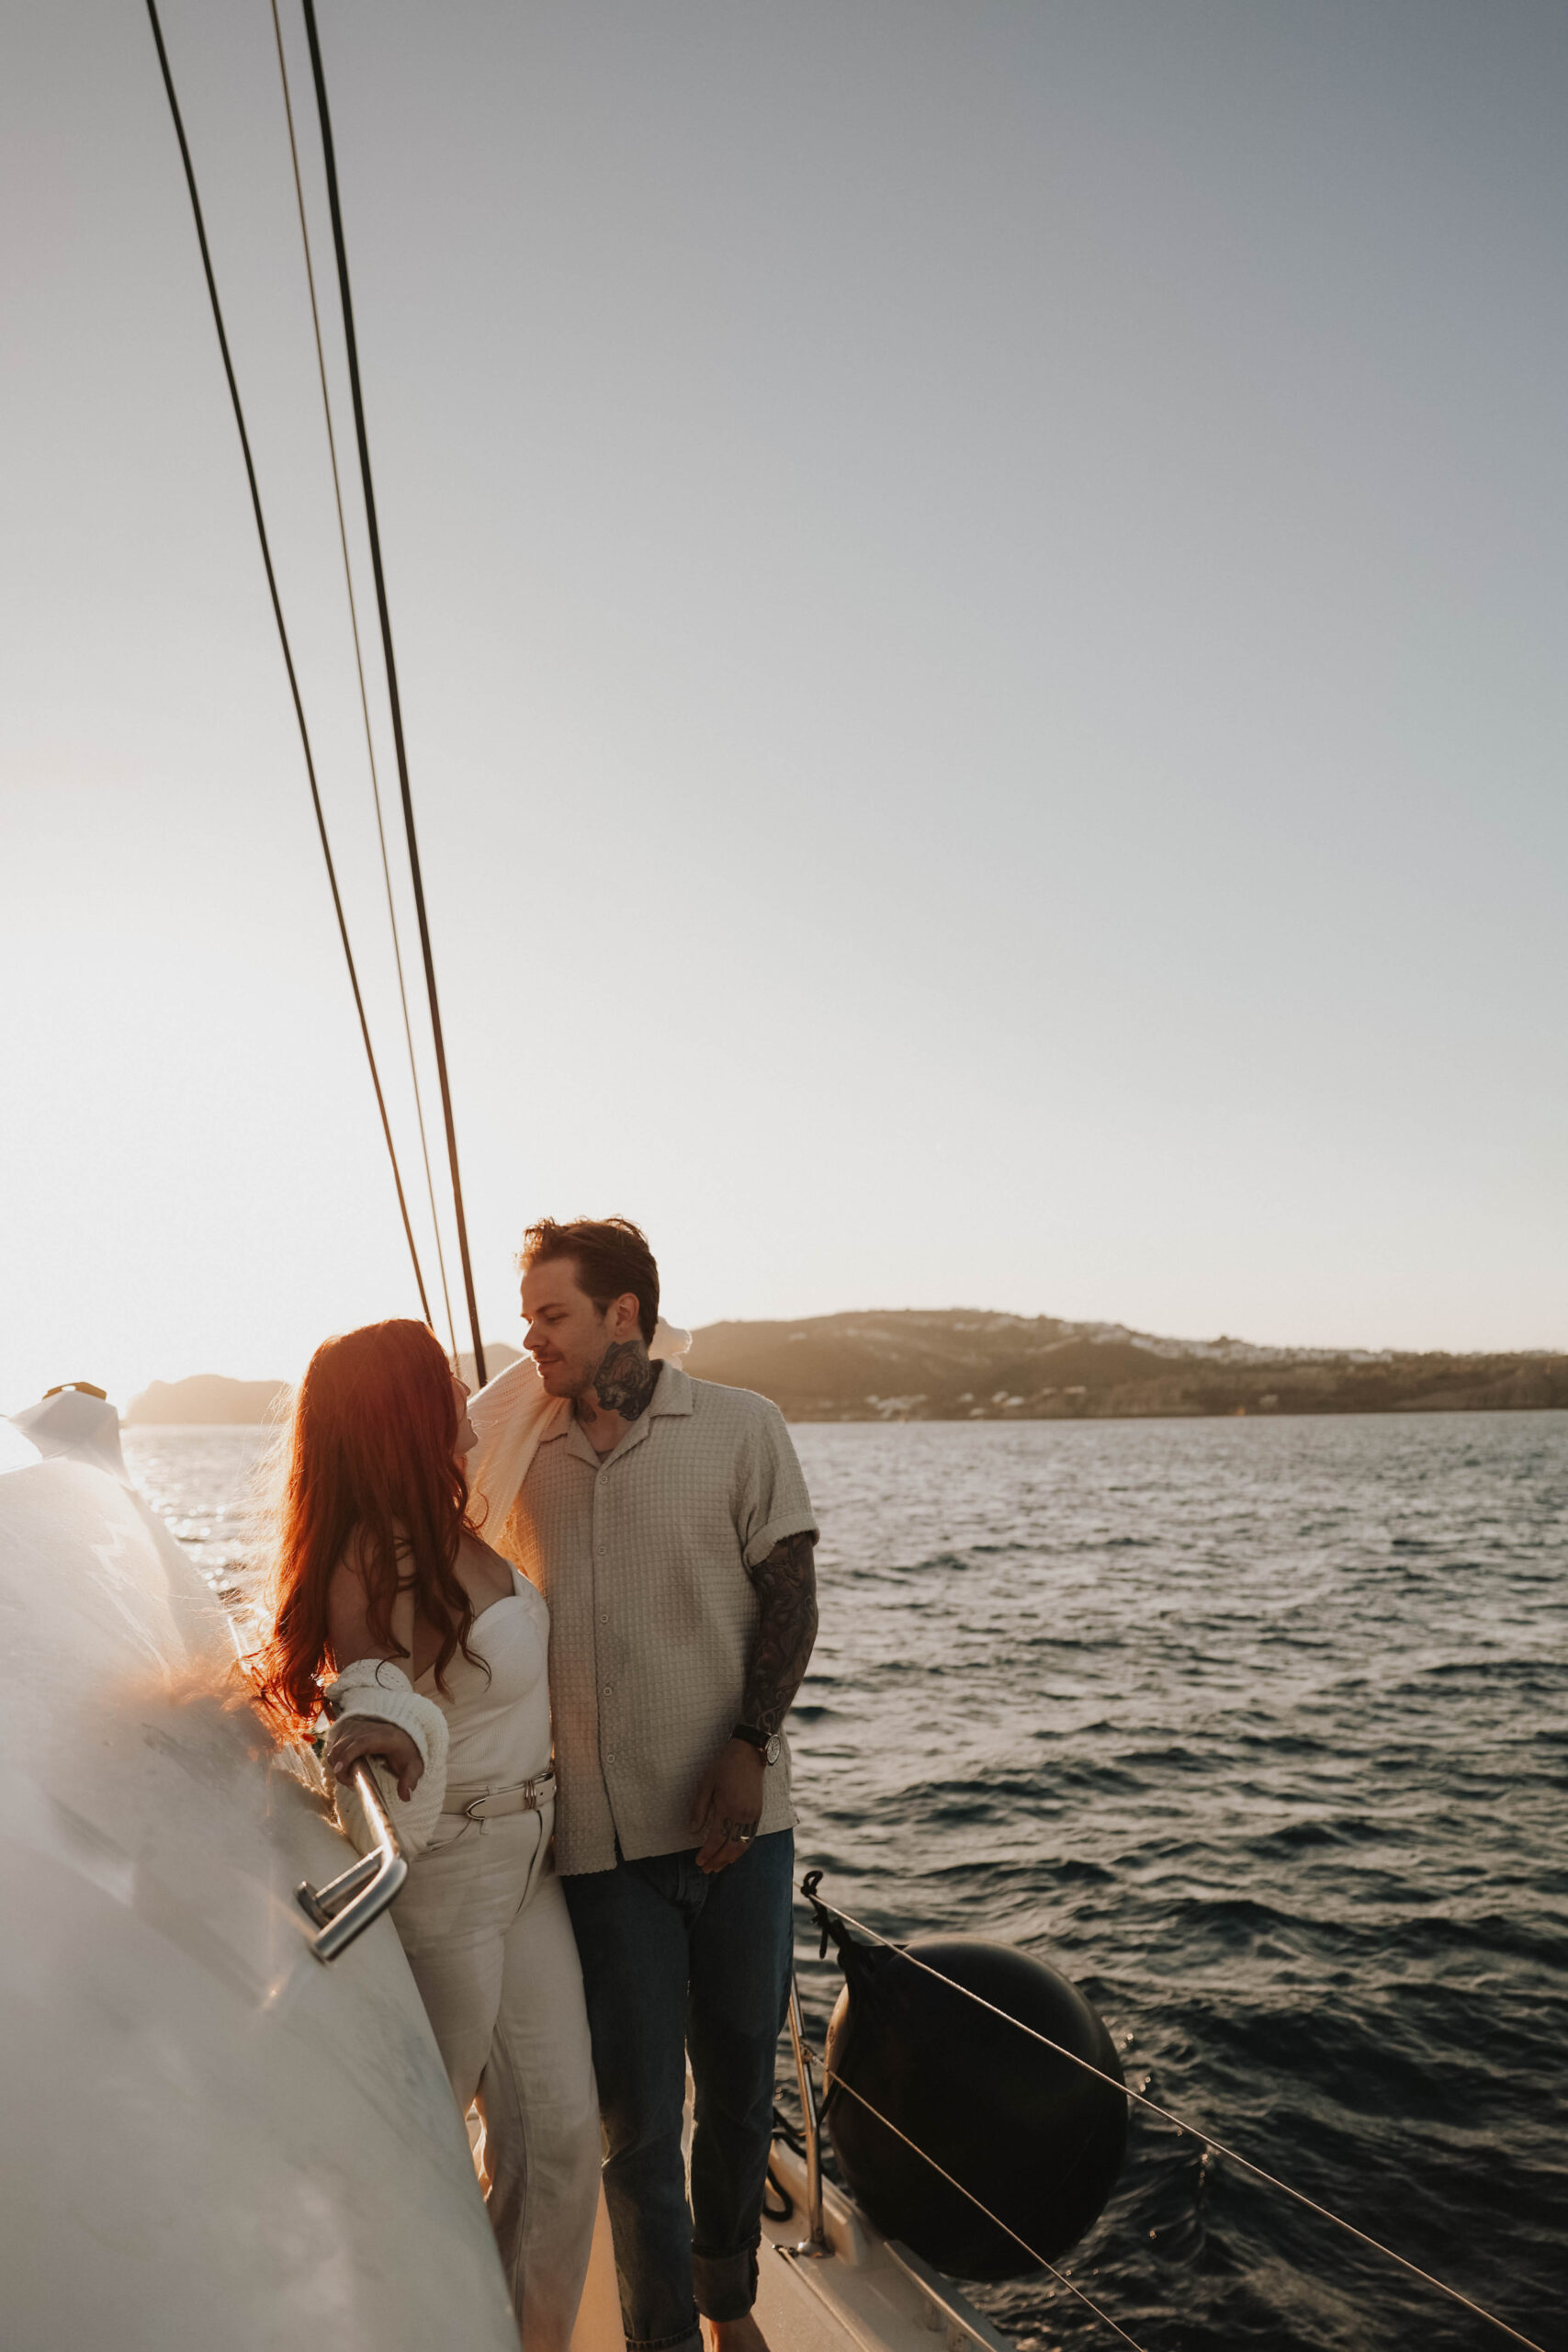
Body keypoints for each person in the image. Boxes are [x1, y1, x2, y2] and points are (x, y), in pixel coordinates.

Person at [470, 1218, 819, 2352]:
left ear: (625, 1314)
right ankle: (663, 2337)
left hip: (740, 1830)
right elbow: (430, 1515)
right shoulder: (524, 1454)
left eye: (552, 1315)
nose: (530, 1340)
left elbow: (791, 1596)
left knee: (736, 2099)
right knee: (633, 2131)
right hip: (602, 1851)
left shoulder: (741, 1427)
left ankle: (729, 2309)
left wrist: (750, 1741)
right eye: (526, 1317)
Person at [252, 1317, 601, 2352]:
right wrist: (376, 1722)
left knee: (563, 2140)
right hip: (447, 1873)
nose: (467, 1387)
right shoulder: (371, 1553)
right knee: (427, 2155)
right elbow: (369, 1685)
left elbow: (555, 1378)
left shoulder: (455, 1513)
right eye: (444, 1379)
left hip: (531, 1861)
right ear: (405, 1413)